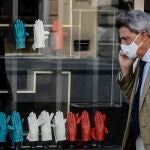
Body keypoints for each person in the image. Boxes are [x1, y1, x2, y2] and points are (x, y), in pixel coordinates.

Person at [116, 10, 150, 150]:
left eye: (126, 39)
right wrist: (125, 69)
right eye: (121, 39)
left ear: (142, 35)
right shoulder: (141, 63)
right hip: (138, 141)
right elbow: (136, 103)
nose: (122, 44)